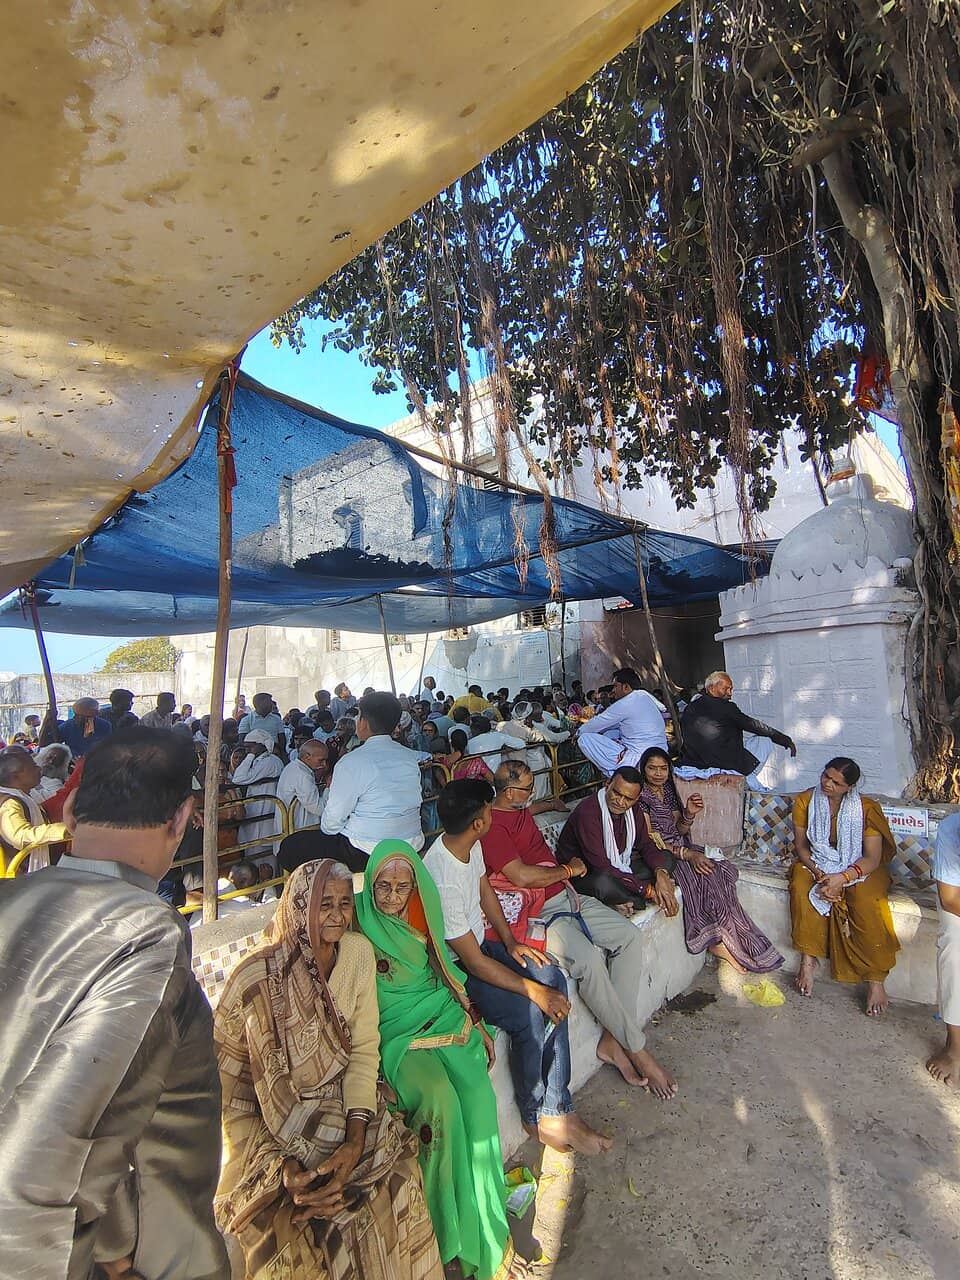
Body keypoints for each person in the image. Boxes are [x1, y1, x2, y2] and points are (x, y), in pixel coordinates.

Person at [0, 728, 230, 1279]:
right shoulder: (144, 930)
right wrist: (119, 1255)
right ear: (182, 819)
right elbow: (65, 1137)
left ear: (72, 808)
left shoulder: (12, 899)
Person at [213, 859, 442, 1280]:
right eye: (324, 904)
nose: (337, 915)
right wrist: (284, 1169)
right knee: (286, 1227)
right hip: (270, 1127)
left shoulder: (356, 953)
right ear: (300, 907)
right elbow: (234, 1093)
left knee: (398, 1176)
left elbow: (363, 1049)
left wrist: (355, 1139)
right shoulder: (257, 978)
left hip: (338, 1103)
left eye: (344, 903)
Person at [357, 841, 518, 1280]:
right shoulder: (356, 921)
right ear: (370, 882)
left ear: (414, 887)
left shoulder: (420, 913)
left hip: (442, 1016)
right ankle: (444, 1243)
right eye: (383, 886)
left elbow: (444, 969)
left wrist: (475, 1020)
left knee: (479, 1102)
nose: (391, 896)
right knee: (438, 1102)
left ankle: (486, 1236)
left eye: (401, 887)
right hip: (394, 1037)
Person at [423, 779, 610, 1156]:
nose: (493, 815)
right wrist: (532, 990)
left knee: (552, 977)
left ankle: (558, 1106)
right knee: (529, 1013)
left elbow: (485, 891)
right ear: (478, 822)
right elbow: (473, 963)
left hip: (485, 947)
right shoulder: (440, 877)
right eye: (489, 811)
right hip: (458, 970)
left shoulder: (466, 843)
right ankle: (533, 1112)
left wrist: (511, 942)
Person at [483, 760, 678, 1098]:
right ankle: (637, 1050)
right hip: (538, 908)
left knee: (629, 937)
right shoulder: (492, 827)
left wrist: (548, 804)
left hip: (567, 897)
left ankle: (611, 1041)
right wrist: (568, 871)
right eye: (531, 790)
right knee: (587, 961)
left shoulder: (518, 808)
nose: (534, 794)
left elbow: (530, 812)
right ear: (512, 793)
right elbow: (523, 877)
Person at [636, 749, 784, 974]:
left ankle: (731, 937)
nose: (658, 773)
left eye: (663, 768)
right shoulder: (640, 797)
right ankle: (716, 942)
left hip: (682, 847)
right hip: (660, 855)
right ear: (643, 769)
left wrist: (689, 813)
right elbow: (650, 841)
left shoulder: (667, 790)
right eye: (652, 768)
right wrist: (687, 855)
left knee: (722, 870)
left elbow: (679, 829)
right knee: (705, 875)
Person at [790, 756, 899, 1016]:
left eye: (836, 782)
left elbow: (872, 858)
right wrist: (819, 873)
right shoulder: (805, 801)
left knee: (865, 900)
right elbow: (802, 847)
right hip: (818, 864)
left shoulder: (866, 808)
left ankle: (875, 980)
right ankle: (808, 960)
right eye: (826, 776)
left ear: (849, 787)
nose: (827, 784)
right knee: (801, 885)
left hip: (859, 868)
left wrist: (842, 878)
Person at [314, 692, 424, 871]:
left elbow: (332, 822)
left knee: (292, 846)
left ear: (363, 721)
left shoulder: (351, 762)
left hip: (366, 850)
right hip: (411, 842)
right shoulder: (408, 756)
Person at [555, 767, 678, 915]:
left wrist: (661, 873)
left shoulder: (634, 809)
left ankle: (625, 898)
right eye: (616, 793)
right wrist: (648, 890)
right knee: (603, 884)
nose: (620, 802)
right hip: (589, 876)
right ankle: (634, 898)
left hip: (620, 867)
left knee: (666, 858)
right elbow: (602, 866)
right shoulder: (588, 813)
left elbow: (645, 844)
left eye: (628, 799)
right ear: (607, 785)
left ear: (637, 798)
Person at [679, 671, 797, 783]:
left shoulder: (690, 707)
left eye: (731, 689)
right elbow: (754, 725)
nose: (729, 693)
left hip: (693, 762)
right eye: (725, 689)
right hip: (722, 765)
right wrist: (784, 740)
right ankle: (745, 777)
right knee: (764, 740)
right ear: (711, 688)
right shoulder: (726, 708)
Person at [576, 668, 668, 777]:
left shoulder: (627, 702)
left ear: (626, 687)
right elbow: (611, 725)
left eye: (615, 686)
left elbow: (598, 723)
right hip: (662, 754)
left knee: (585, 739)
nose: (613, 690)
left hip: (640, 757)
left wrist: (578, 732)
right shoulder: (644, 697)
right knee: (610, 734)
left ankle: (616, 776)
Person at [927, 812, 960, 1084]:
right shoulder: (952, 829)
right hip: (958, 898)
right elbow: (950, 899)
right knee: (954, 944)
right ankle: (955, 1048)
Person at [0, 750, 70, 872]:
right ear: (15, 776)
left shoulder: (23, 797)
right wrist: (64, 829)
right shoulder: (9, 803)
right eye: (33, 767)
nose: (39, 769)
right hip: (20, 879)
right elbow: (20, 836)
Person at [498, 701, 569, 804]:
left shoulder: (504, 726)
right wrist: (569, 733)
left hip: (512, 768)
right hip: (535, 766)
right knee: (538, 794)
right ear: (528, 716)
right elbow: (553, 738)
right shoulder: (530, 730)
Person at [231, 729, 284, 859]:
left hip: (264, 816)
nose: (248, 750)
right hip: (256, 812)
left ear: (261, 745)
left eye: (251, 747)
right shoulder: (260, 760)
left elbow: (239, 778)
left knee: (264, 861)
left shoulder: (270, 761)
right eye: (246, 747)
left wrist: (250, 755)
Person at [276, 739, 330, 844]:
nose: (324, 764)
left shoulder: (293, 767)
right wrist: (328, 788)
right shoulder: (302, 774)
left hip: (292, 828)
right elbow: (318, 808)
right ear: (307, 757)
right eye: (321, 760)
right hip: (299, 830)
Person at [45, 696, 112, 758]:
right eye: (75, 714)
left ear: (94, 714)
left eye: (80, 715)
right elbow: (47, 743)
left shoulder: (104, 726)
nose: (75, 717)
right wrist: (47, 720)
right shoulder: (68, 725)